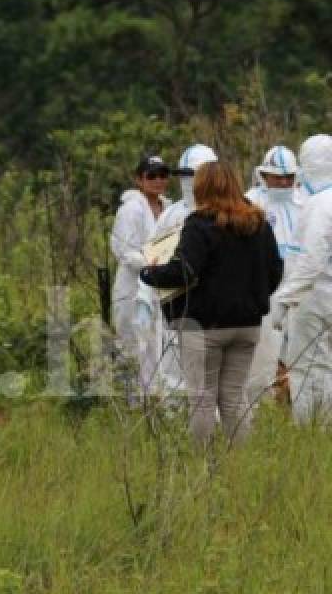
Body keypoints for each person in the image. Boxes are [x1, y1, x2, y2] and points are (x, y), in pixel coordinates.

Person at [139, 161, 283, 449]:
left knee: (202, 398)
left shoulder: (199, 223)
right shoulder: (258, 223)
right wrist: (253, 297)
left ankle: (200, 466)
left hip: (204, 326)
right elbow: (275, 271)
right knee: (233, 396)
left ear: (201, 187)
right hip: (247, 325)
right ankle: (241, 464)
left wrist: (149, 272)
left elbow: (184, 272)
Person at [137, 144, 220, 399]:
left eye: (193, 175)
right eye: (183, 175)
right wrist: (144, 299)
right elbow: (151, 257)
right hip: (176, 305)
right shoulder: (172, 215)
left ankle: (215, 429)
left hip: (218, 308)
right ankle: (177, 428)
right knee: (174, 372)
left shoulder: (228, 213)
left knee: (216, 375)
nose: (188, 182)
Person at [274, 134, 332, 426]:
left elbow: (310, 262)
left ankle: (309, 430)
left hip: (315, 299)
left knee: (306, 368)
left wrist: (283, 300)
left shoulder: (319, 205)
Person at [109, 155, 171, 396]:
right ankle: (132, 402)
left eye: (163, 175)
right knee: (134, 346)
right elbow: (123, 250)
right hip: (133, 288)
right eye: (151, 176)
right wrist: (151, 265)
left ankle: (157, 400)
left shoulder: (169, 208)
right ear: (139, 179)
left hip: (161, 287)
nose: (158, 180)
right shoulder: (131, 209)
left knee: (158, 346)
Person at [244, 145, 300, 404]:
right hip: (263, 292)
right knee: (262, 356)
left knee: (297, 355)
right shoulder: (250, 203)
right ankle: (259, 407)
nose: (284, 182)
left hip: (300, 291)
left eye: (289, 177)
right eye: (278, 177)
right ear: (264, 175)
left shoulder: (304, 202)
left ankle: (297, 408)